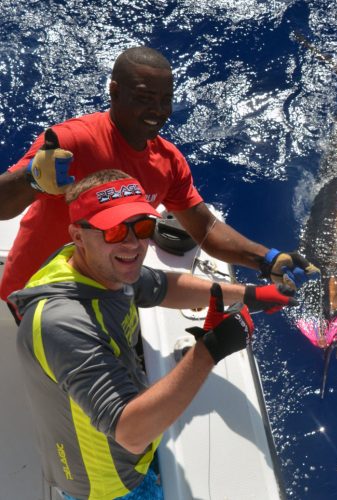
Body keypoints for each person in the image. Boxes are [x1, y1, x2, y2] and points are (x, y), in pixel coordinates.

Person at [9, 169, 297, 500]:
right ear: (78, 235)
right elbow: (130, 433)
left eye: (143, 227)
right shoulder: (63, 322)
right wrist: (209, 350)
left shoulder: (100, 265)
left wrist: (250, 295)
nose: (132, 244)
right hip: (107, 484)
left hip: (126, 435)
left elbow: (162, 286)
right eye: (114, 231)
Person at [0, 46, 318, 320]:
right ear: (114, 92)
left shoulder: (169, 162)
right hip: (39, 297)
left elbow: (205, 228)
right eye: (144, 98)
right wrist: (32, 179)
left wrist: (267, 259)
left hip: (109, 297)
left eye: (166, 100)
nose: (158, 111)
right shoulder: (72, 140)